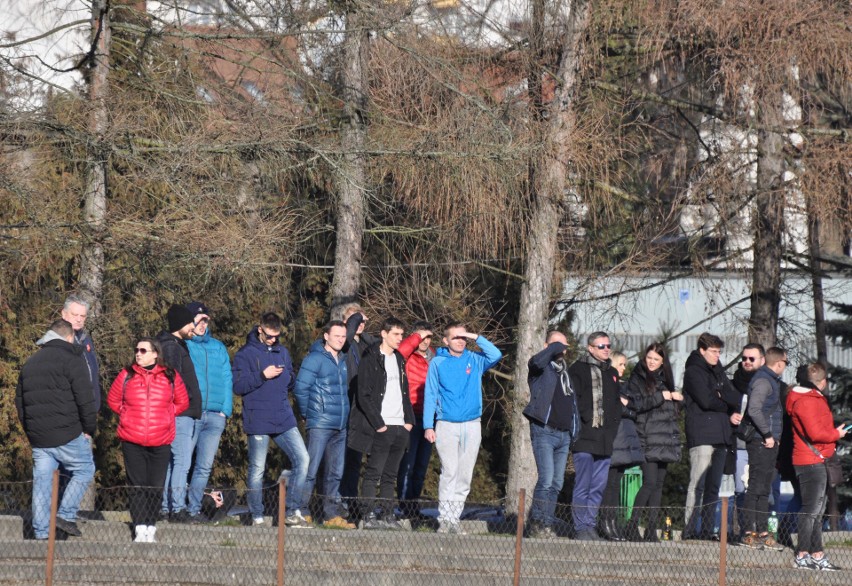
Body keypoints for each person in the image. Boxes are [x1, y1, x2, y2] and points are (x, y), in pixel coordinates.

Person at [15, 319, 97, 540]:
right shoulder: (72, 360)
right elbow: (85, 399)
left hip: (39, 437)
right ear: (69, 337)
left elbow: (20, 403)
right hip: (67, 432)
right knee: (85, 469)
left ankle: (41, 534)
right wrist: (89, 428)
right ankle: (66, 514)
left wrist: (31, 430)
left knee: (42, 483)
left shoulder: (31, 363)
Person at [107, 338, 190, 543]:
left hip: (160, 440)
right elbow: (113, 399)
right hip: (132, 439)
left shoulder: (170, 376)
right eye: (136, 350)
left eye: (143, 350)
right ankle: (139, 527)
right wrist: (126, 415)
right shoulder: (126, 375)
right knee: (136, 485)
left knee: (155, 485)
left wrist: (167, 415)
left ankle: (151, 526)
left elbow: (183, 401)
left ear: (155, 353)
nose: (138, 353)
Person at [232, 312, 310, 527]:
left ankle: (292, 510)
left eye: (276, 336)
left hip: (283, 418)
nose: (273, 340)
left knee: (303, 459)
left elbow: (290, 380)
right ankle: (257, 515)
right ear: (260, 329)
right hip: (258, 419)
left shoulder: (282, 352)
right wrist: (261, 375)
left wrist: (291, 378)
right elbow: (238, 386)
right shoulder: (245, 354)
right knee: (257, 469)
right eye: (269, 336)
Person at [423, 323, 502, 534]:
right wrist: (427, 425)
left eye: (463, 338)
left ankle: (455, 519)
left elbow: (496, 354)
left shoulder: (475, 360)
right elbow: (430, 395)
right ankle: (445, 519)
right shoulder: (437, 362)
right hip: (446, 424)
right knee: (449, 471)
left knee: (465, 475)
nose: (460, 341)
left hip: (472, 424)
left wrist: (475, 335)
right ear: (445, 341)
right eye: (456, 337)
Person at [348, 317, 414, 529]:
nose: (399, 338)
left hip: (400, 426)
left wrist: (409, 421)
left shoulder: (400, 360)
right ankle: (367, 516)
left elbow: (405, 393)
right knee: (373, 472)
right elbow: (363, 394)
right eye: (396, 334)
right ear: (384, 334)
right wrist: (379, 424)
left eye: (402, 335)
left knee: (390, 475)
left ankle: (388, 515)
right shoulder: (371, 358)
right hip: (381, 425)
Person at [294, 320, 354, 529]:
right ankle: (299, 511)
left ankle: (330, 514)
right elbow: (301, 389)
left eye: (343, 336)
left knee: (335, 472)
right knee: (310, 470)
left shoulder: (343, 360)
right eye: (336, 335)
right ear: (326, 336)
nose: (340, 339)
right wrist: (308, 414)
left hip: (340, 425)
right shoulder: (315, 359)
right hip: (319, 423)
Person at [682, 332, 742, 540]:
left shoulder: (718, 372)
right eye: (714, 351)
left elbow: (733, 395)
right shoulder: (693, 371)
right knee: (697, 484)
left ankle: (707, 530)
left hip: (721, 434)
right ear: (702, 350)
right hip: (702, 434)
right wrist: (722, 400)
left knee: (713, 487)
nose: (717, 355)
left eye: (719, 351)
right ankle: (689, 529)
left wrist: (721, 396)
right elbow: (706, 401)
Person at [787, 362, 846, 571]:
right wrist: (836, 434)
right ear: (822, 382)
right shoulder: (807, 401)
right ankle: (803, 554)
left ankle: (816, 554)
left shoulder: (808, 399)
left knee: (817, 510)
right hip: (810, 461)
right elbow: (815, 433)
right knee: (811, 510)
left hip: (814, 459)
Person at [623, 343, 682, 542]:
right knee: (648, 483)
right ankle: (631, 527)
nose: (651, 362)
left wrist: (676, 400)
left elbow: (668, 414)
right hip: (646, 437)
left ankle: (651, 530)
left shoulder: (666, 380)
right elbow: (636, 405)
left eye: (656, 359)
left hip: (664, 439)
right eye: (649, 357)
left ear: (662, 362)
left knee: (658, 485)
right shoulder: (637, 377)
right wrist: (660, 397)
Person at [523, 331, 579, 539]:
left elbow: (572, 404)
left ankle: (547, 523)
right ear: (548, 345)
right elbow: (535, 362)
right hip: (544, 432)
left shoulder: (565, 373)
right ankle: (537, 523)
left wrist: (574, 431)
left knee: (557, 483)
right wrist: (554, 346)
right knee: (545, 480)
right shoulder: (541, 370)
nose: (562, 349)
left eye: (564, 346)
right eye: (557, 345)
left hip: (563, 435)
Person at [568, 332, 622, 541]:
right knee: (583, 484)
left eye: (608, 345)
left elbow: (617, 403)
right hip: (585, 437)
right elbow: (574, 400)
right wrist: (586, 419)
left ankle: (589, 525)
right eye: (601, 346)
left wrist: (612, 428)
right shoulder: (578, 369)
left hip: (605, 439)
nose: (606, 349)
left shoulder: (611, 372)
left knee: (598, 486)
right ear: (590, 348)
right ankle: (580, 526)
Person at [185, 302, 233, 522]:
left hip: (215, 416)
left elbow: (226, 378)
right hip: (192, 414)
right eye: (199, 320)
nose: (202, 324)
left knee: (204, 467)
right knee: (183, 463)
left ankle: (194, 509)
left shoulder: (218, 347)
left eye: (205, 320)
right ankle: (174, 507)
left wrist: (225, 410)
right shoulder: (184, 346)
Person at [156, 304, 202, 522]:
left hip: (178, 412)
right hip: (180, 414)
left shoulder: (173, 345)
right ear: (180, 325)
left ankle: (166, 507)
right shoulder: (173, 347)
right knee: (181, 461)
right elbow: (171, 381)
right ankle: (177, 508)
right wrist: (182, 405)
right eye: (189, 323)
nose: (193, 328)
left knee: (173, 462)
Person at [739, 347, 787, 550]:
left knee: (763, 488)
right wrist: (768, 434)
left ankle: (762, 532)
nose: (785, 366)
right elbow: (754, 409)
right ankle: (750, 533)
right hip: (760, 442)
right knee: (756, 487)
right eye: (785, 363)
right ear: (779, 363)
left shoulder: (770, 381)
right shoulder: (763, 381)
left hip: (767, 442)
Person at [600, 351, 645, 541]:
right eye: (621, 364)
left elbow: (633, 408)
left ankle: (613, 523)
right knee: (608, 485)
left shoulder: (623, 387)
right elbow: (614, 409)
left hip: (623, 444)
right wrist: (624, 407)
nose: (624, 368)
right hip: (612, 441)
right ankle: (605, 523)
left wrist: (625, 407)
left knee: (616, 485)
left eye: (625, 364)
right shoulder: (607, 385)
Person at [339, 305, 378, 515]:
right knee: (339, 459)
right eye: (356, 320)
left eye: (364, 320)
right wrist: (355, 317)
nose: (361, 323)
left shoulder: (365, 344)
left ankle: (351, 501)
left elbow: (382, 344)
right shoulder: (341, 343)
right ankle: (339, 500)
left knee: (355, 459)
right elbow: (346, 337)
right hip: (344, 406)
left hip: (359, 409)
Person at [396, 321, 436, 518]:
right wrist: (416, 336)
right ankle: (403, 505)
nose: (424, 341)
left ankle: (413, 506)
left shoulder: (435, 358)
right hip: (410, 415)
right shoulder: (407, 356)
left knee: (421, 466)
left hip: (429, 418)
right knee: (407, 465)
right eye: (421, 337)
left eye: (428, 337)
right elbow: (401, 350)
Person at [729, 343, 765, 535]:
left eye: (752, 359)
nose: (747, 362)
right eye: (744, 358)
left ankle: (762, 530)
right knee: (741, 488)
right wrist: (731, 415)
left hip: (762, 444)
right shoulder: (734, 383)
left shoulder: (767, 384)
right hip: (741, 444)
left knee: (762, 490)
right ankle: (744, 530)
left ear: (762, 360)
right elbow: (725, 405)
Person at [61, 294, 101, 411]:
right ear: (64, 313)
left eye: (82, 316)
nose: (79, 319)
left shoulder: (85, 339)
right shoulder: (58, 339)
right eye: (75, 315)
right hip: (69, 413)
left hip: (88, 412)